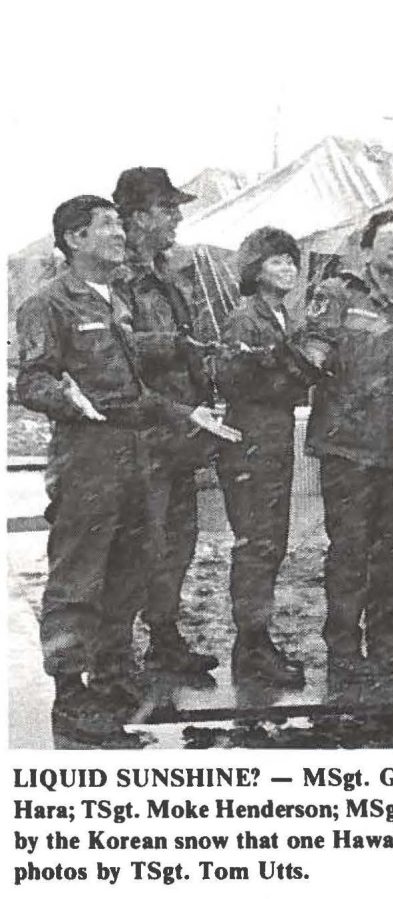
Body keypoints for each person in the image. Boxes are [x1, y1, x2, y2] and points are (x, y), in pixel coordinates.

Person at [16, 196, 238, 746]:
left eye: (119, 223)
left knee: (130, 570)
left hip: (136, 455)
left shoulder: (114, 301)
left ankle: (112, 676)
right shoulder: (50, 303)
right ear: (74, 238)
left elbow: (135, 390)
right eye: (108, 226)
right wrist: (70, 400)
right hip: (88, 459)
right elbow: (33, 381)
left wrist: (187, 412)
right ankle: (71, 695)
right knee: (78, 576)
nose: (120, 234)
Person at [302, 211, 393, 685]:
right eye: (391, 240)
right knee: (349, 550)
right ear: (367, 248)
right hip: (349, 451)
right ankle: (342, 647)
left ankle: (385, 643)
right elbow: (311, 353)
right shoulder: (338, 293)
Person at [112, 167, 219, 676]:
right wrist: (177, 345)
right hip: (140, 435)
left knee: (177, 542)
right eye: (166, 208)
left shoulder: (169, 273)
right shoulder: (115, 277)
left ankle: (164, 635)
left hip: (179, 433)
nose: (177, 216)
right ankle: (115, 658)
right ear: (137, 216)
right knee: (138, 545)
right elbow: (114, 349)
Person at [216, 227, 317, 688]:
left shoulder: (280, 317)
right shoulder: (247, 318)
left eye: (291, 261)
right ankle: (251, 646)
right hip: (252, 437)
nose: (288, 269)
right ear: (255, 270)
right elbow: (238, 380)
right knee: (257, 544)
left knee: (270, 541)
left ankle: (256, 642)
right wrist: (292, 372)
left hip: (272, 437)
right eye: (277, 261)